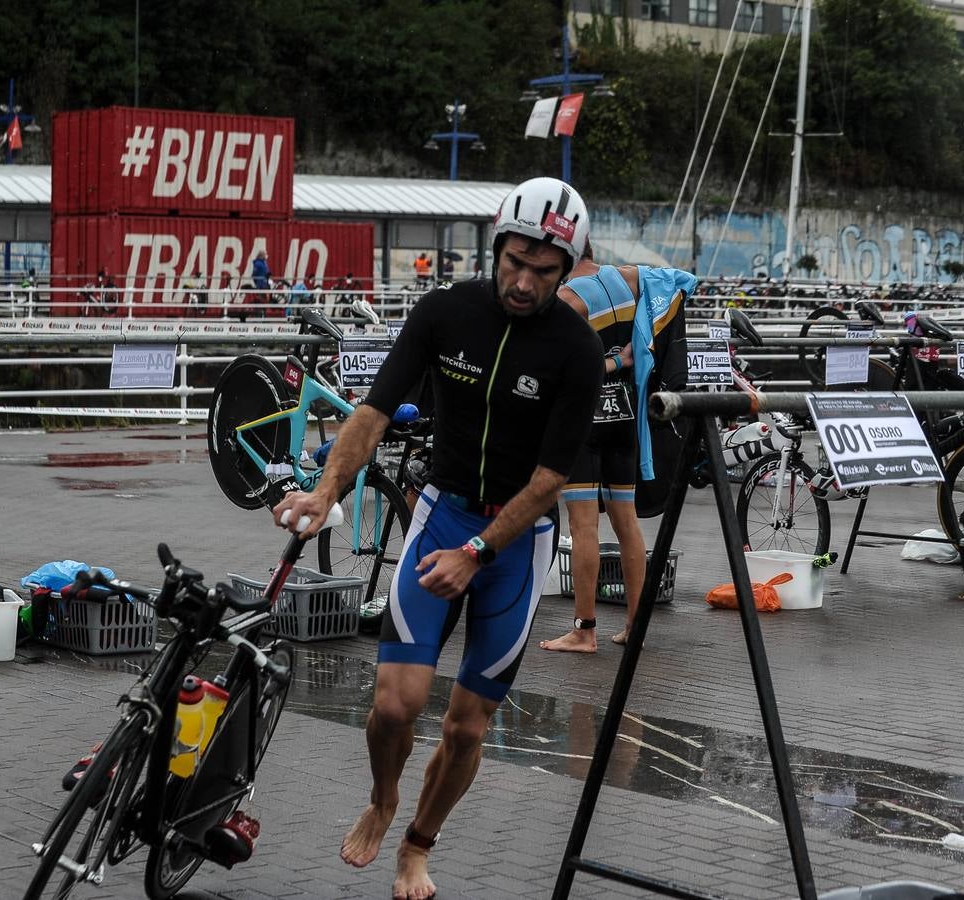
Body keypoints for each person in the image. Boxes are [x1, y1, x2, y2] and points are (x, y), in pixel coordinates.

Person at [273, 177, 602, 900]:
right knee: (394, 703)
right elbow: (375, 410)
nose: (523, 282)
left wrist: (480, 552)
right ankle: (385, 798)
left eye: (544, 272)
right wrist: (326, 488)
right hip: (443, 514)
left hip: (515, 542)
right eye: (514, 262)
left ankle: (417, 845)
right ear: (497, 248)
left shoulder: (577, 352)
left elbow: (551, 479)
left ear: (568, 268)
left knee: (466, 728)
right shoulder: (445, 312)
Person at [539, 243, 683, 652]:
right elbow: (677, 283)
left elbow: (564, 368)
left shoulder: (567, 298)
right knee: (627, 523)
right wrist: (624, 360)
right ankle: (635, 624)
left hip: (584, 419)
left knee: (584, 526)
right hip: (624, 417)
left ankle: (584, 631)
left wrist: (608, 363)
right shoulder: (628, 279)